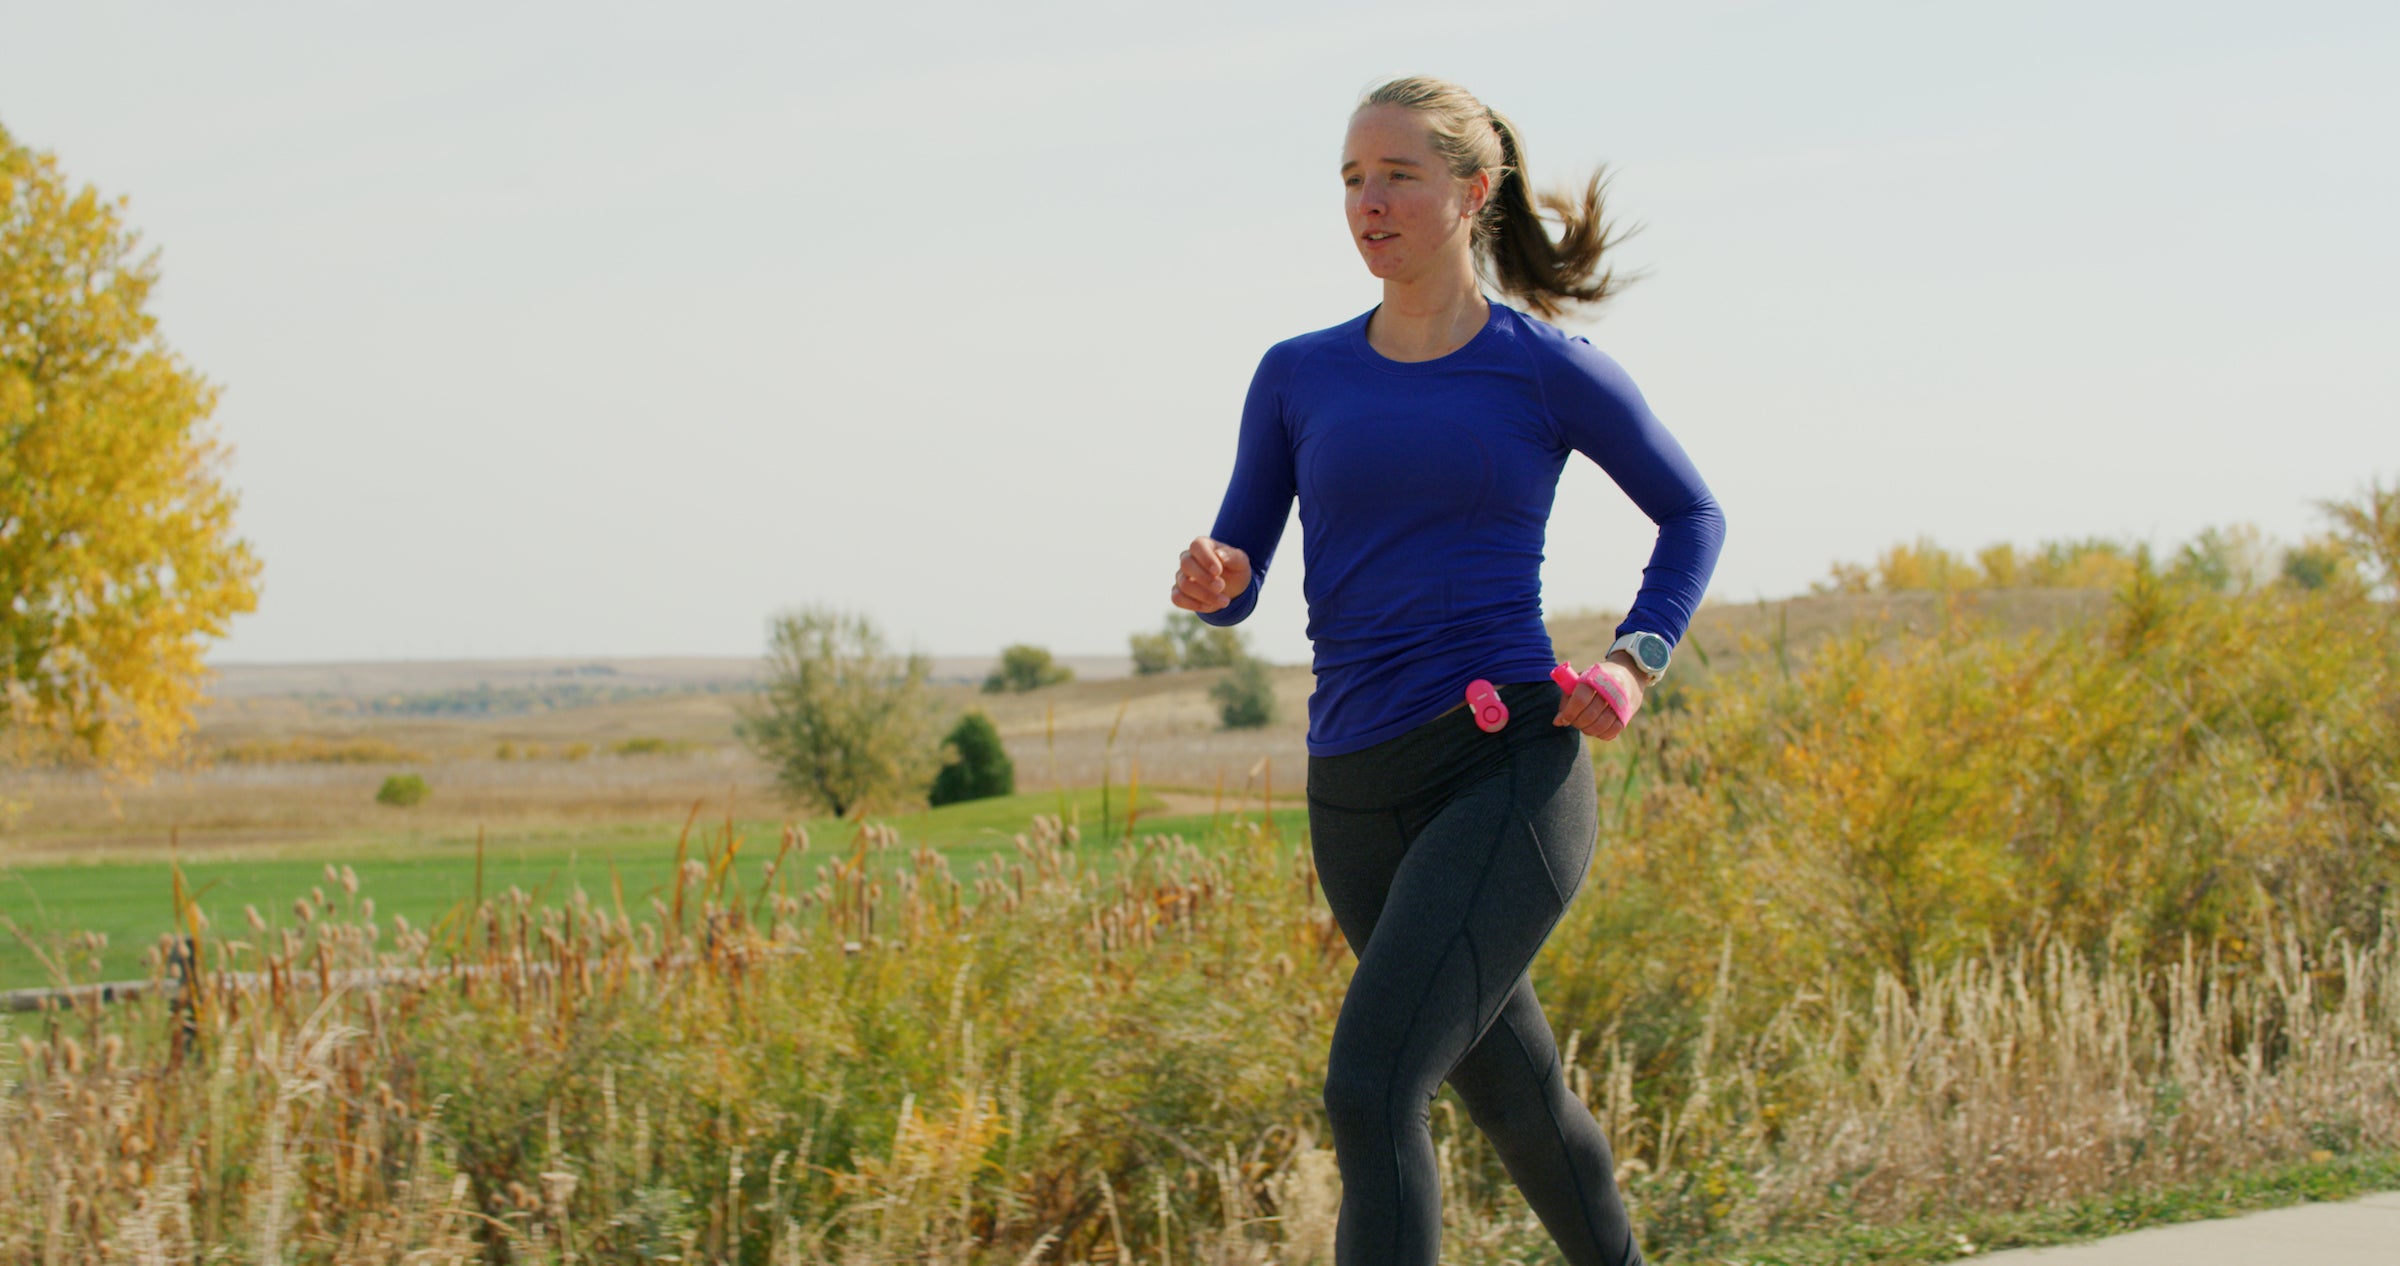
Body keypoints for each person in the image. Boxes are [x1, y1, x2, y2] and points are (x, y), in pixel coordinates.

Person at [1167, 76, 1725, 1266]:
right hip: (1356, 791)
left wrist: (1634, 662)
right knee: (1517, 1101)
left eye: (1398, 177)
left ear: (1471, 193)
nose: (1367, 204)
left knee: (1370, 1089)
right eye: (1352, 182)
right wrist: (1222, 581)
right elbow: (1246, 558)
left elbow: (1692, 517)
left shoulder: (1543, 369)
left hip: (1504, 772)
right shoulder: (1298, 375)